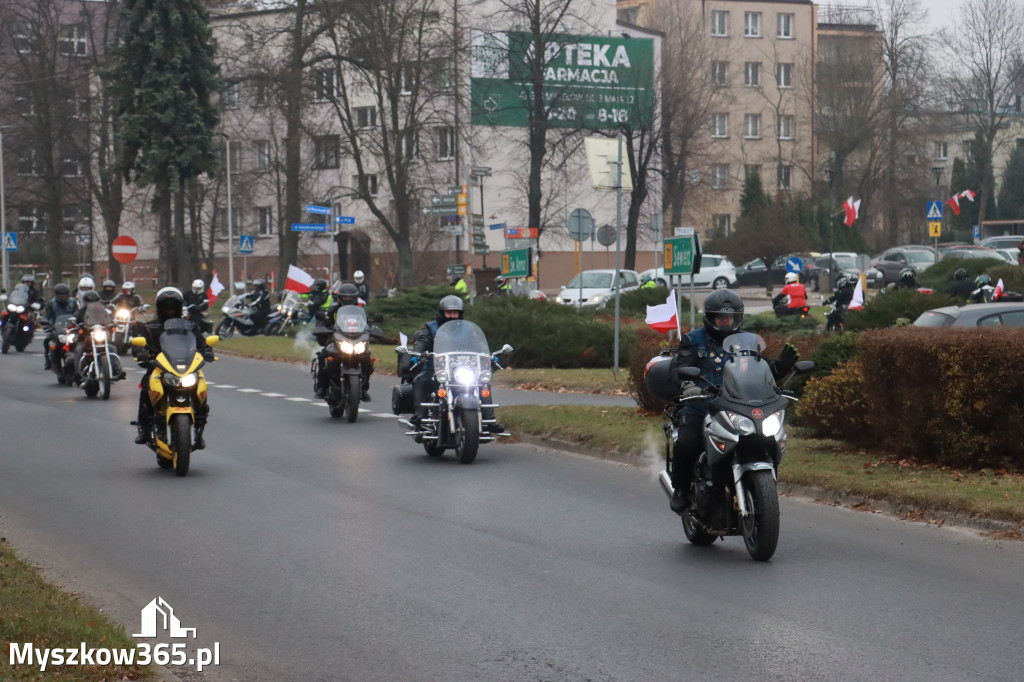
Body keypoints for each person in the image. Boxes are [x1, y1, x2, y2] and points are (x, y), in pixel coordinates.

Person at [667, 289, 800, 513]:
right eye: (721, 317)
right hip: (701, 406)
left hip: (737, 406)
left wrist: (780, 367)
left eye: (731, 318)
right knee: (688, 443)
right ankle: (680, 489)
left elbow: (761, 370)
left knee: (766, 438)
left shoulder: (747, 341)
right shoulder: (693, 340)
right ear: (710, 317)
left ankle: (761, 488)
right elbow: (680, 368)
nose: (726, 322)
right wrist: (689, 385)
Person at [131, 287, 214, 447]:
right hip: (158, 367)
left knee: (200, 387)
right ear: (159, 306)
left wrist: (207, 351)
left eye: (173, 305)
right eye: (166, 305)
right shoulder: (150, 327)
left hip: (186, 367)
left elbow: (201, 342)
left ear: (179, 306)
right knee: (146, 386)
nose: (169, 309)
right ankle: (145, 429)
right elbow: (139, 343)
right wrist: (140, 352)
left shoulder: (190, 326)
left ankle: (199, 428)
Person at [311, 283, 372, 400]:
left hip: (356, 339)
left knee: (367, 357)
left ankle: (364, 388)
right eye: (345, 297)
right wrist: (322, 328)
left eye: (350, 297)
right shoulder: (332, 310)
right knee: (323, 355)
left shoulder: (360, 311)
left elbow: (367, 323)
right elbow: (324, 321)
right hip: (336, 339)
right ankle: (322, 387)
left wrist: (372, 328)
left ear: (355, 297)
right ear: (340, 297)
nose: (348, 299)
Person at [71, 290, 114, 380]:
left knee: (112, 348)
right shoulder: (81, 311)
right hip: (85, 338)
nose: (92, 304)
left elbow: (108, 317)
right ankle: (77, 372)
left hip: (99, 335)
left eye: (94, 302)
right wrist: (77, 322)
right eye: (90, 302)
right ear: (85, 302)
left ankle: (115, 369)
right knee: (79, 349)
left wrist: (111, 323)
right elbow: (75, 319)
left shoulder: (101, 311)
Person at [41, 283, 78, 370]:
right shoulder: (51, 303)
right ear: (56, 295)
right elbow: (47, 315)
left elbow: (77, 314)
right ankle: (47, 359)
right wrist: (46, 322)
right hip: (56, 328)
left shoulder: (73, 303)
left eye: (64, 296)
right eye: (60, 296)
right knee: (47, 340)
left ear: (68, 295)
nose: (63, 298)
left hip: (71, 328)